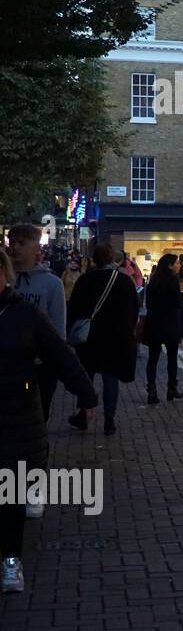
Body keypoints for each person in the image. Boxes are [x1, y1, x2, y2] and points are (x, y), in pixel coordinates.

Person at [0, 248, 98, 593]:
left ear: (5, 274)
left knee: (9, 496)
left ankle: (11, 560)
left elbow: (60, 354)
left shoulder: (25, 315)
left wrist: (86, 395)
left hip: (16, 416)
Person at [66, 243, 140, 436]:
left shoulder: (85, 280)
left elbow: (73, 308)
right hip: (115, 338)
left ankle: (83, 414)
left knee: (86, 377)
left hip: (89, 338)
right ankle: (109, 420)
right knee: (110, 378)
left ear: (94, 259)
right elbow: (134, 310)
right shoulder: (123, 281)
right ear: (113, 259)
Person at [6, 224, 67, 423]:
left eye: (21, 243)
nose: (15, 247)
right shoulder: (4, 280)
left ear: (36, 247)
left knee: (37, 419)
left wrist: (56, 364)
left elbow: (58, 328)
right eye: (12, 242)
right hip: (7, 363)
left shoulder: (51, 283)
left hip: (40, 366)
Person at [142, 253, 183, 405]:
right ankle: (171, 388)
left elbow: (148, 303)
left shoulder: (153, 279)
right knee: (172, 358)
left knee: (153, 358)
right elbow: (177, 303)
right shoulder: (173, 280)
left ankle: (152, 389)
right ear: (170, 265)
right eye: (177, 263)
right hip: (170, 323)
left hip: (154, 323)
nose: (179, 265)